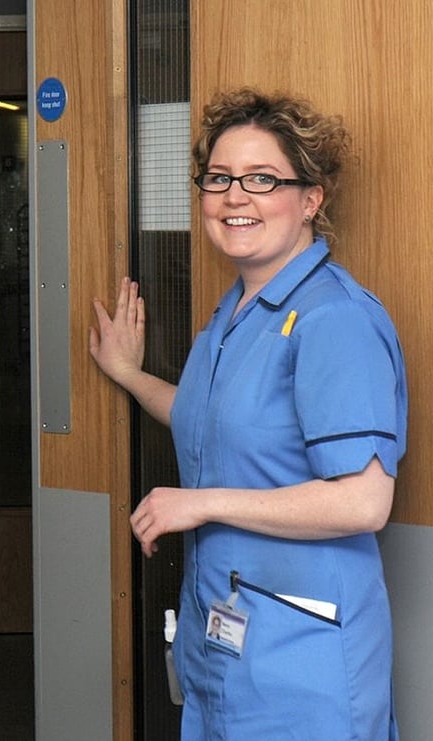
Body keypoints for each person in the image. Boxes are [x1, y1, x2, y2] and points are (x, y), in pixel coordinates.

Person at [89, 88, 405, 739]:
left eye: (263, 179)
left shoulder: (334, 318)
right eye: (220, 178)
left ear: (310, 198)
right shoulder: (235, 313)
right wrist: (130, 374)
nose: (236, 196)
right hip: (228, 652)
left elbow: (363, 502)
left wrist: (201, 504)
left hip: (302, 666)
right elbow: (212, 420)